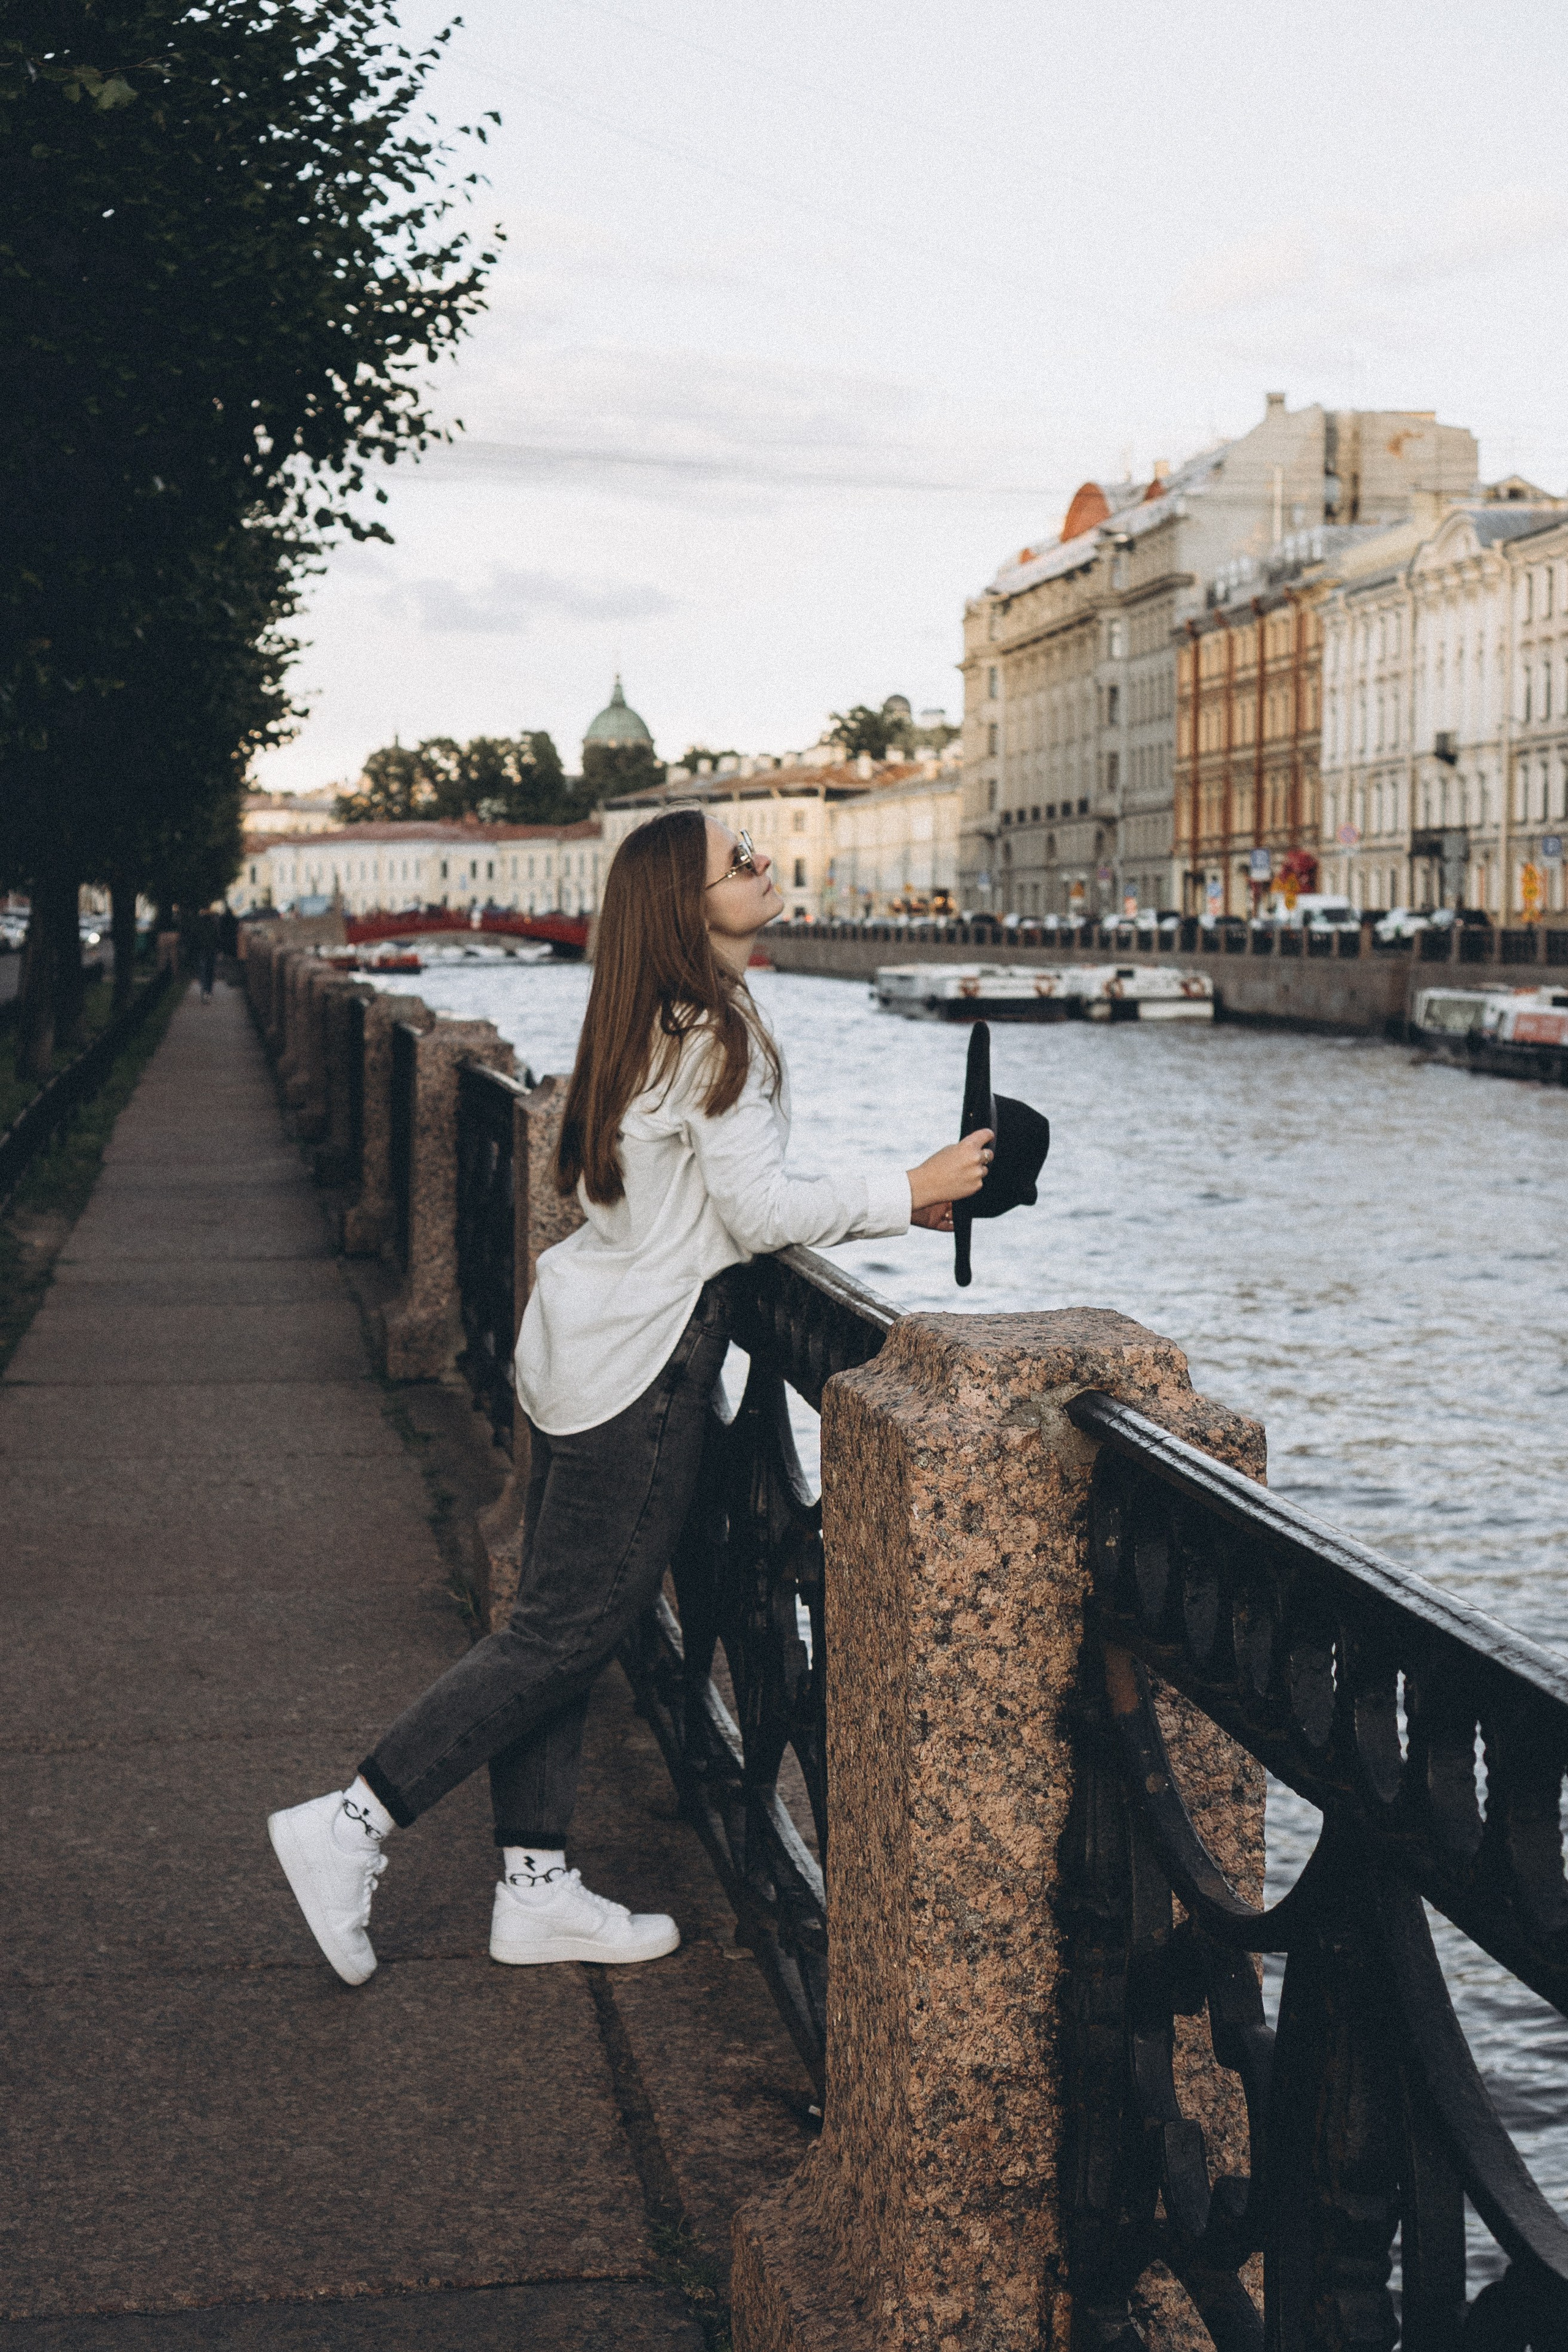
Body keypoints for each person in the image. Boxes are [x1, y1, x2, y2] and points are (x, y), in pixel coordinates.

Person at [267, 810, 993, 1983]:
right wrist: (907, 1185)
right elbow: (755, 1216)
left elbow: (691, 1197)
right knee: (564, 1635)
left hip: (576, 1340)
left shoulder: (640, 1018)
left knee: (553, 1631)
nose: (764, 869)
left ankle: (537, 1886)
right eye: (739, 862)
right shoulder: (716, 1035)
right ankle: (350, 1823)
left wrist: (899, 1204)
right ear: (685, 902)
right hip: (642, 1365)